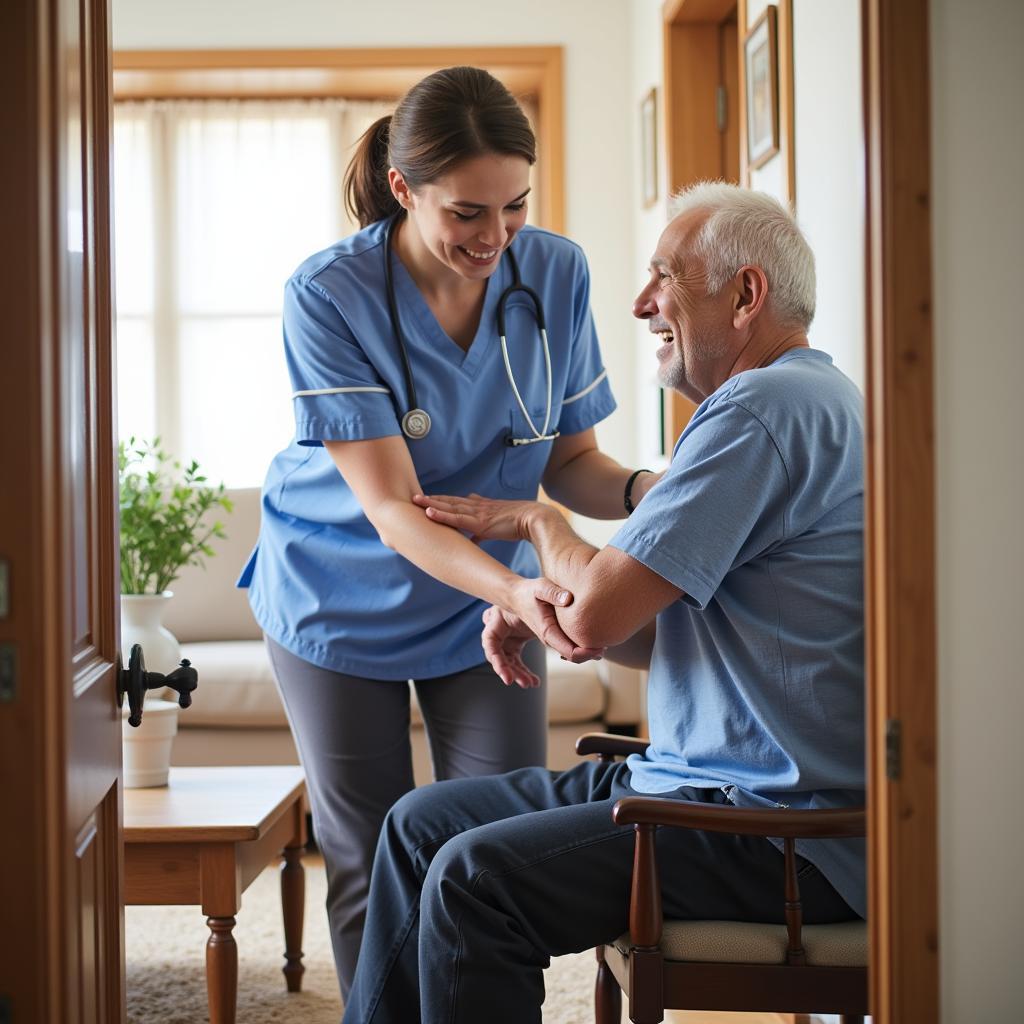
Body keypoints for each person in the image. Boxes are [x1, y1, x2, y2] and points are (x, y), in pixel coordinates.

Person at [341, 182, 867, 1024]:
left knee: (476, 882)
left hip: (776, 828)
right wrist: (547, 600)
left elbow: (593, 617)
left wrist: (535, 523)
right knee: (416, 826)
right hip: (698, 783)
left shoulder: (763, 410)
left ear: (745, 295)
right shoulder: (797, 398)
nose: (640, 302)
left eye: (666, 276)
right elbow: (638, 635)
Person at [238, 66, 657, 997]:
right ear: (403, 189)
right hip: (339, 590)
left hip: (493, 606)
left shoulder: (555, 270)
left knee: (496, 849)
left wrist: (657, 492)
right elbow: (390, 507)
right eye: (467, 213)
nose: (495, 236)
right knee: (366, 849)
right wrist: (516, 588)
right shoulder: (329, 293)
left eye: (514, 206)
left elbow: (570, 460)